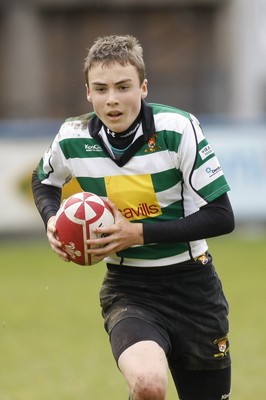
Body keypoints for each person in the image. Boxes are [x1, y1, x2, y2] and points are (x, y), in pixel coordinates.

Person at [32, 34, 235, 400]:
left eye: (123, 86)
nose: (112, 99)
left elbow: (221, 217)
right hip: (130, 289)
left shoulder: (178, 129)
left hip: (194, 288)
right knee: (147, 384)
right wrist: (51, 217)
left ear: (143, 88)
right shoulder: (71, 138)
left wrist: (137, 233)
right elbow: (43, 180)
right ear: (88, 93)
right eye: (101, 88)